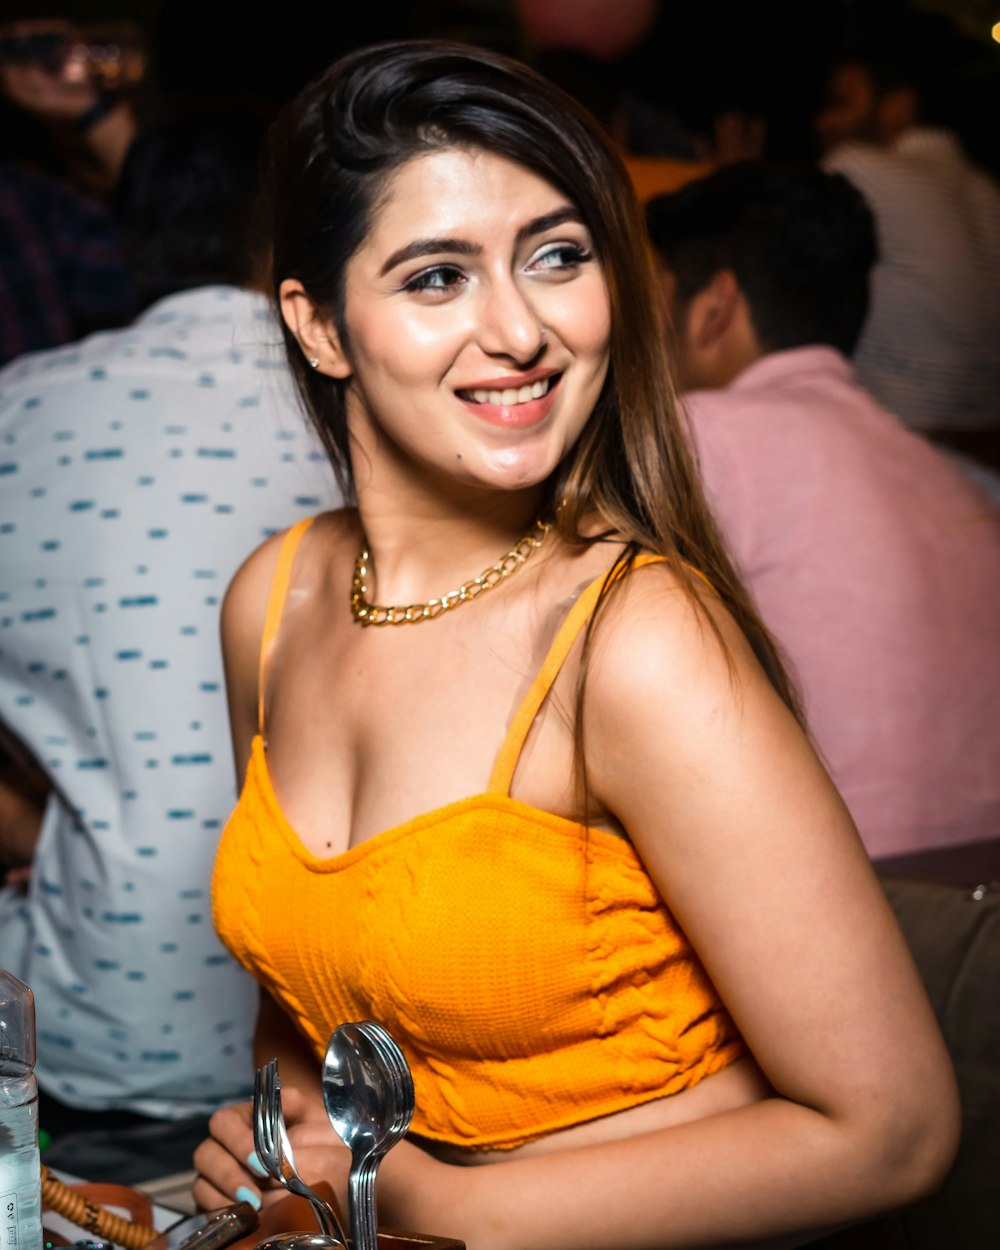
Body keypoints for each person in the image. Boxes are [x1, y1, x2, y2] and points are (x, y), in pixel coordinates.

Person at [193, 42, 959, 1250]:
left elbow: (895, 1129)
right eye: (437, 277)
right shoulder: (273, 598)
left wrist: (440, 1204)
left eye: (557, 255)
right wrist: (285, 1138)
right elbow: (304, 998)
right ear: (322, 325)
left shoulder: (631, 639)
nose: (522, 329)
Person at [0, 110, 338, 1149]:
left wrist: (63, 819)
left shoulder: (15, 414)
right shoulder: (365, 406)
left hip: (81, 1036)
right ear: (294, 243)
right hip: (352, 1056)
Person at [645, 162, 1000, 863]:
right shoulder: (951, 477)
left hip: (869, 896)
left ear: (715, 306)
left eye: (650, 299)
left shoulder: (705, 432)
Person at [816, 12, 1000, 467]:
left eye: (841, 102)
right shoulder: (987, 190)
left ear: (897, 107)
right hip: (984, 455)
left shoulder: (859, 168)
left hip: (895, 447)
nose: (824, 122)